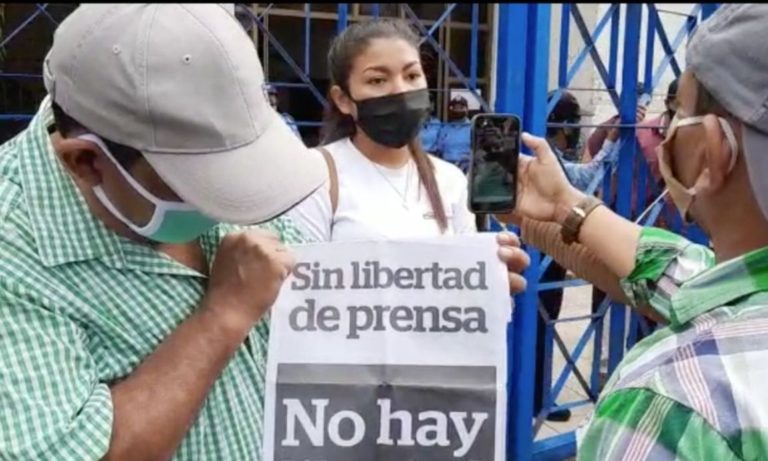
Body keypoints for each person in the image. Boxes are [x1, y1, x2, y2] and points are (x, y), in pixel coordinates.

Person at [0, 4, 330, 460]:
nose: (228, 205)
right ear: (87, 161)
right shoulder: (14, 248)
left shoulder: (211, 129)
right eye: (199, 185)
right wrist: (220, 318)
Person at [513, 5, 768, 459]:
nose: (664, 129)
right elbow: (681, 273)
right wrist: (558, 208)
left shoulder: (675, 403)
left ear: (711, 152)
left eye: (679, 114)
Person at [286, 19, 528, 288]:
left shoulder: (450, 180)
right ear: (343, 99)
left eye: (412, 76)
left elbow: (464, 290)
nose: (400, 90)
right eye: (377, 80)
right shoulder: (315, 176)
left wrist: (488, 281)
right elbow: (303, 294)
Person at [436, 95, 472, 171]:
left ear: (467, 109)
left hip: (467, 166)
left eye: (460, 107)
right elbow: (439, 151)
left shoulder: (473, 128)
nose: (457, 110)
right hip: (447, 166)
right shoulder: (445, 128)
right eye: (455, 108)